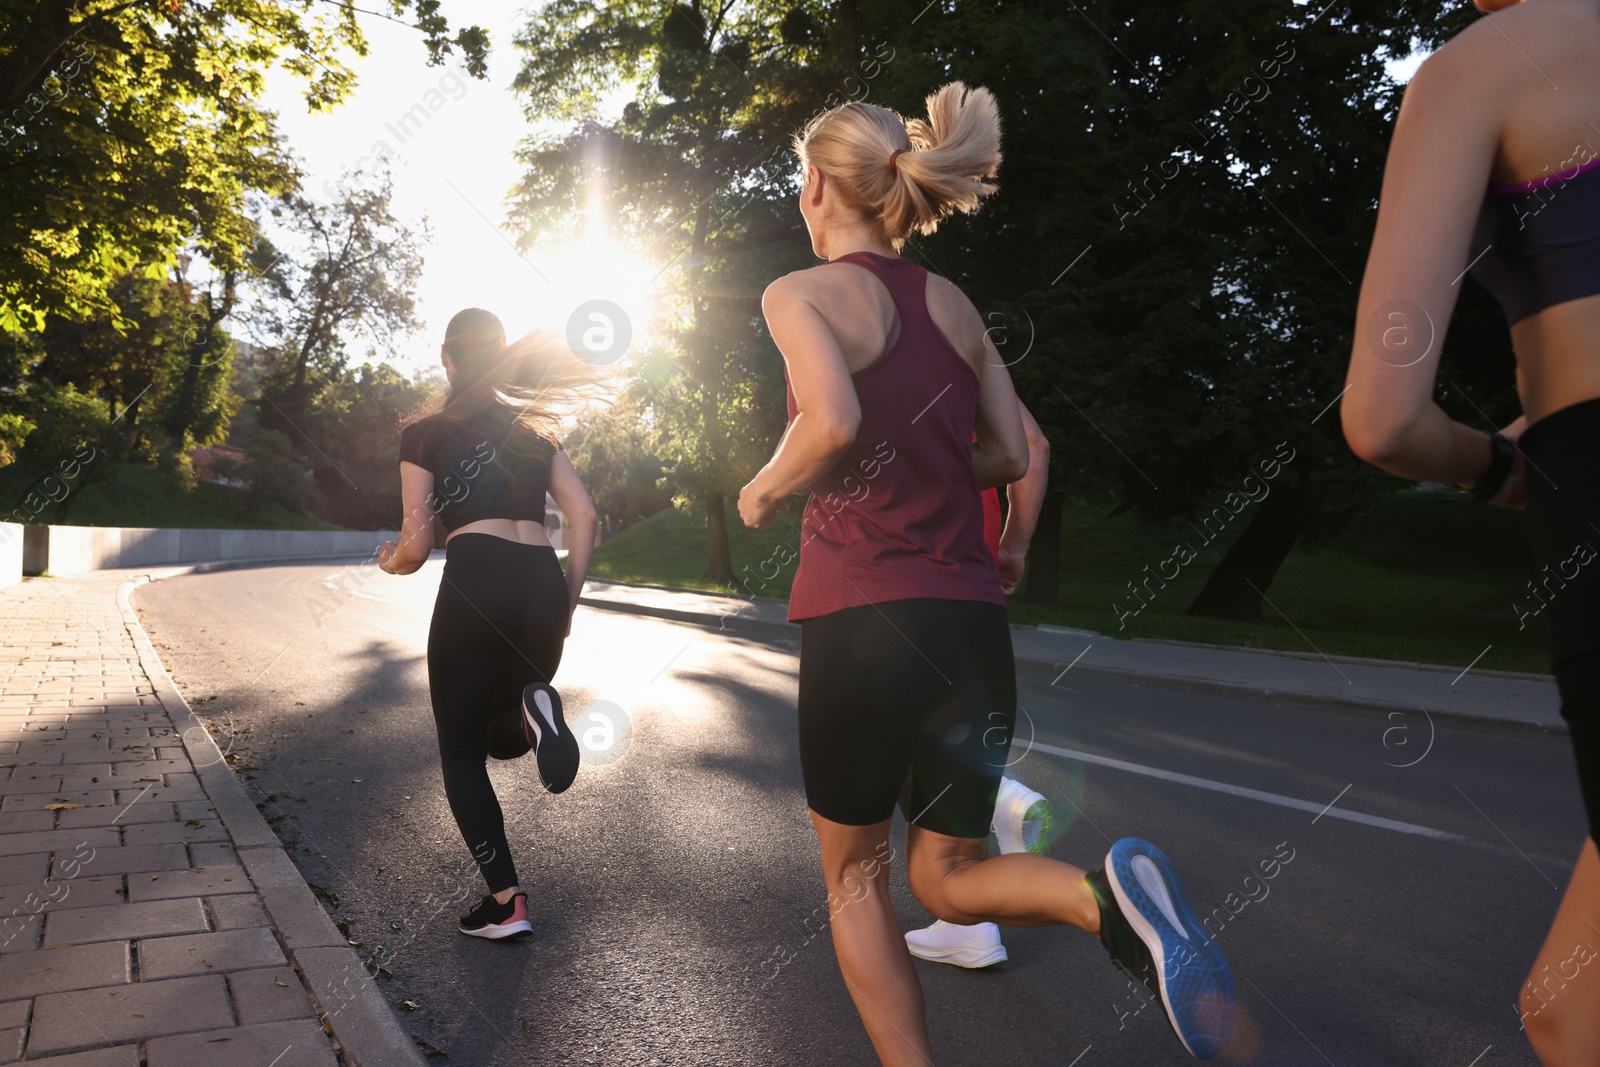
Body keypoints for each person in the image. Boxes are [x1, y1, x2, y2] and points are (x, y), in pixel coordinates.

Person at [738, 83, 1235, 1063]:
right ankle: (1107, 906)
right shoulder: (954, 306)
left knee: (855, 878)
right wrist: (999, 541)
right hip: (967, 625)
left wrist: (761, 490)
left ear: (815, 186)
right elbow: (1011, 454)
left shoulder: (797, 292)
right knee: (952, 876)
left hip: (860, 618)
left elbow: (830, 421)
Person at [1341, 2, 1600, 1061]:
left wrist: (1498, 465)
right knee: (1568, 999)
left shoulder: (1478, 71)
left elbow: (1381, 415)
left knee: (1575, 1009)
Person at [379, 308, 600, 940]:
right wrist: (567, 603)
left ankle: (507, 901)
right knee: (506, 732)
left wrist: (392, 564)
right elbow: (584, 516)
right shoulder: (536, 432)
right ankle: (537, 706)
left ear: (446, 359)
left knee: (462, 751)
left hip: (477, 579)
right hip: (541, 584)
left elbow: (417, 544)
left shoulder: (426, 433)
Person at [907, 402, 1056, 969]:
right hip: (977, 587)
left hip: (900, 578)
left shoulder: (875, 342)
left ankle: (1001, 800)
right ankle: (968, 928)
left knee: (880, 737)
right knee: (949, 731)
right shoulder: (972, 352)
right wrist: (1013, 548)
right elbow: (1034, 448)